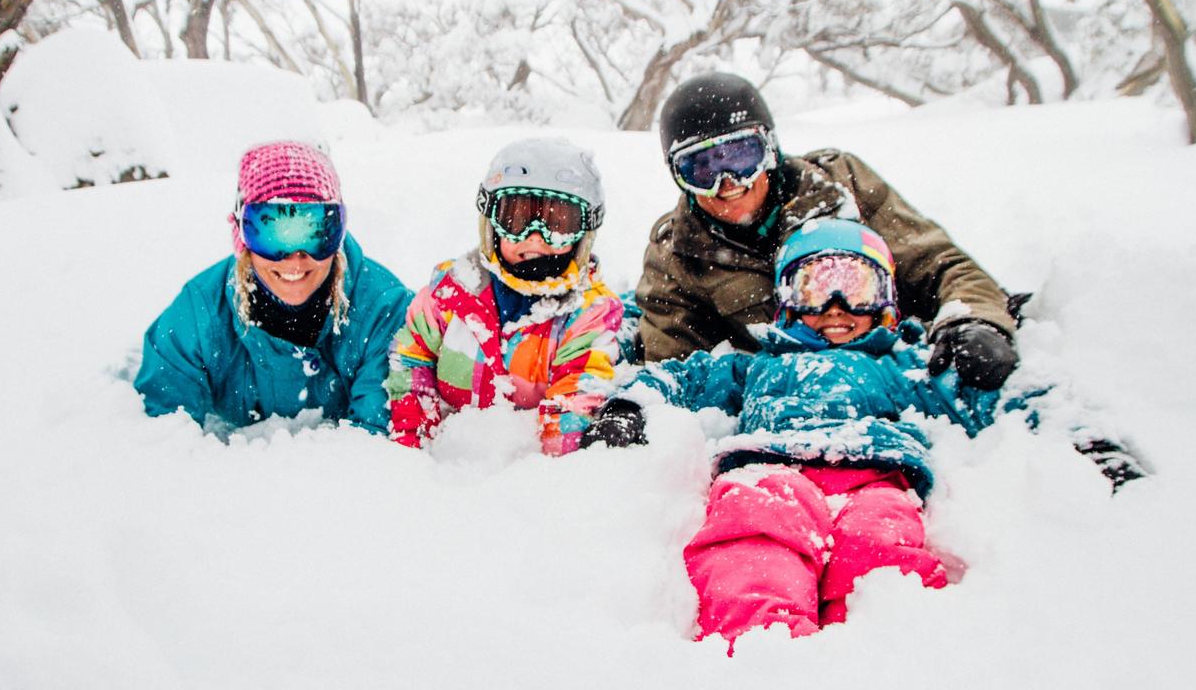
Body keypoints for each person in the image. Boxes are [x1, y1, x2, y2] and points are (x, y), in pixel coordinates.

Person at [597, 219, 1140, 652]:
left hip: (875, 478)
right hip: (770, 470)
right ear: (788, 299)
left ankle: (886, 654)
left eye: (854, 287)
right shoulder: (756, 364)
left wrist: (1088, 441)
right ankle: (763, 651)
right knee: (755, 542)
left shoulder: (904, 366)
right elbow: (680, 376)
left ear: (885, 299)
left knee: (880, 551)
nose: (835, 308)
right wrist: (628, 404)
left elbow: (1008, 394)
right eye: (815, 287)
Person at [637, 71, 1020, 392]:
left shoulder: (841, 183)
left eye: (740, 157)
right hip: (793, 391)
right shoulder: (677, 251)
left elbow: (939, 263)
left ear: (770, 149)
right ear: (678, 177)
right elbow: (676, 366)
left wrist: (973, 320)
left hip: (892, 370)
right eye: (700, 169)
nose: (727, 182)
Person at [134, 140, 412, 433]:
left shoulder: (383, 311)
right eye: (271, 233)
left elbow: (379, 440)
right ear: (242, 237)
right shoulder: (196, 318)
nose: (295, 260)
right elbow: (163, 439)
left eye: (316, 233)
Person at [386, 137, 624, 456]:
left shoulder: (588, 314)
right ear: (492, 223)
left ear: (584, 232)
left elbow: (574, 402)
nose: (537, 237)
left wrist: (533, 477)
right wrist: (413, 447)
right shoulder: (448, 293)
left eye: (559, 223)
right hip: (447, 464)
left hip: (520, 478)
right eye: (519, 218)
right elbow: (411, 360)